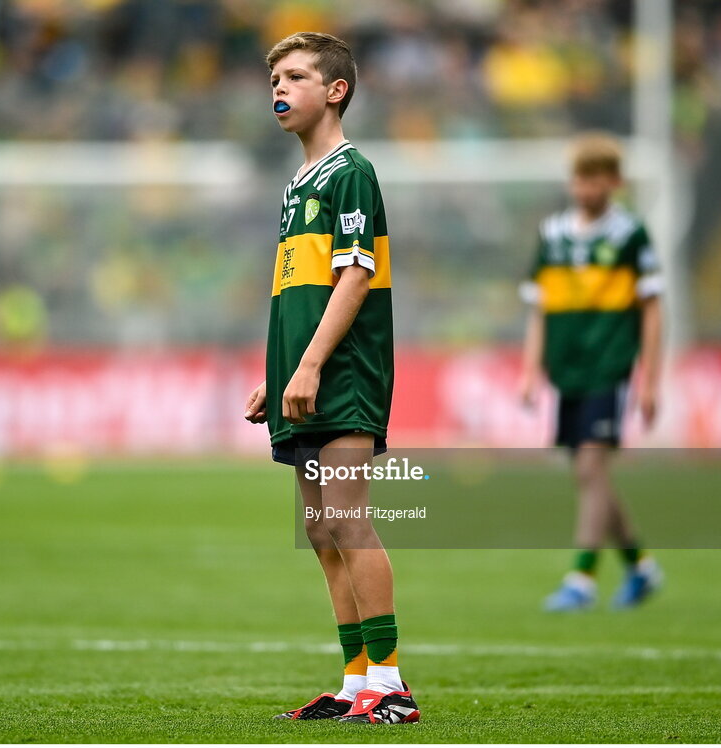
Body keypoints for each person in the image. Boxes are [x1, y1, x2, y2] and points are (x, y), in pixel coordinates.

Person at [244, 32, 419, 724]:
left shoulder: (350, 171)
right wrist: (278, 370)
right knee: (320, 529)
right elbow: (298, 286)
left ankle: (393, 686)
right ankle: (355, 684)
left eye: (294, 77)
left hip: (345, 374)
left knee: (348, 521)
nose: (279, 90)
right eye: (274, 79)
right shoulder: (297, 183)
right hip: (304, 373)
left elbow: (354, 274)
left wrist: (312, 362)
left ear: (335, 90)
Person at [519, 133, 664, 612]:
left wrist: (649, 379)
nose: (585, 188)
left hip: (610, 367)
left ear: (615, 182)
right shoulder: (553, 235)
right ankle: (640, 566)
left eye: (596, 178)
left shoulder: (630, 236)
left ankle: (581, 578)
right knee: (591, 475)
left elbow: (651, 310)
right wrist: (530, 370)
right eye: (580, 178)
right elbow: (540, 309)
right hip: (567, 370)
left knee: (589, 467)